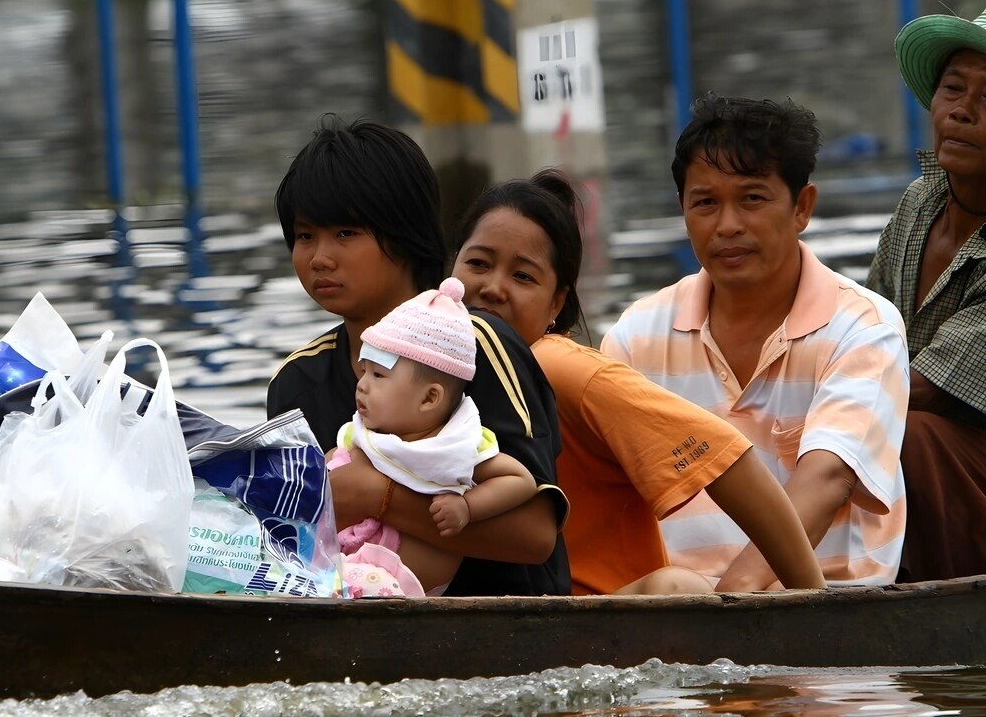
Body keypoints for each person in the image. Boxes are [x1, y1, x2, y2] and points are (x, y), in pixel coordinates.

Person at [450, 169, 825, 594]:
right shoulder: (417, 371)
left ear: (557, 302)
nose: (493, 288)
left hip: (602, 623)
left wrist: (812, 605)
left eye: (523, 277)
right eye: (478, 264)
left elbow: (730, 461)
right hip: (487, 619)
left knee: (677, 588)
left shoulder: (559, 367)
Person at [601, 94, 910, 588]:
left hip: (826, 611)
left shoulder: (863, 328)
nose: (728, 226)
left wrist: (732, 606)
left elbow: (827, 478)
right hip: (674, 608)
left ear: (801, 207)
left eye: (752, 198)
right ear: (683, 209)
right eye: (705, 202)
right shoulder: (636, 337)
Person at [266, 116, 571, 596]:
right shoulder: (296, 381)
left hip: (506, 628)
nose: (319, 257)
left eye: (346, 233)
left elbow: (535, 536)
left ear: (405, 235)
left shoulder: (474, 345)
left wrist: (377, 495)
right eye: (305, 236)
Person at [866, 8, 986, 582]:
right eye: (953, 89)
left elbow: (919, 394)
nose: (962, 110)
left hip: (958, 464)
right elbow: (860, 329)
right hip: (908, 441)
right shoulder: (920, 202)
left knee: (903, 434)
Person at [328, 277, 538, 594]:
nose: (362, 385)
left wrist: (468, 507)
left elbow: (521, 480)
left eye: (379, 375)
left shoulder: (456, 445)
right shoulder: (364, 434)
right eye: (365, 371)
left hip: (398, 585)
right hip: (348, 565)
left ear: (429, 398)